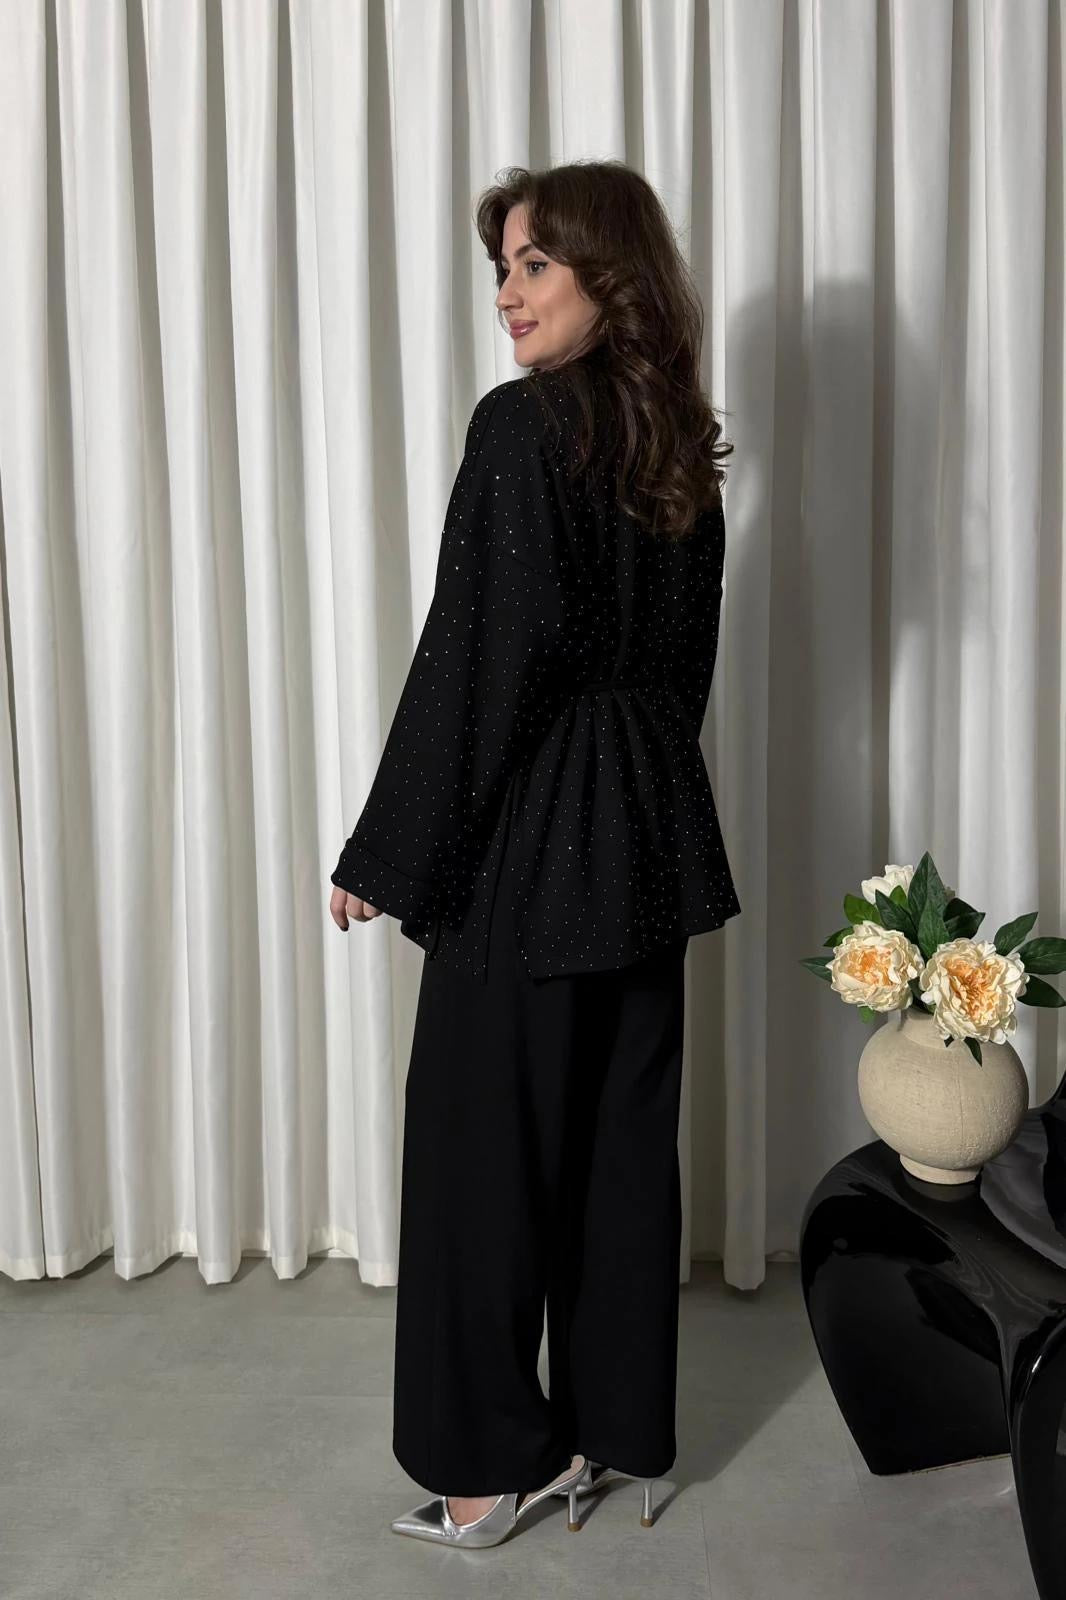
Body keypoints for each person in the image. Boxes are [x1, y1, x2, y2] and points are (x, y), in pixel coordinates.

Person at [328, 159, 741, 1550]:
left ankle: (488, 1469)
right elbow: (683, 672)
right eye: (500, 268)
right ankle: (615, 1438)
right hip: (650, 832)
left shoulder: (524, 426)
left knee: (477, 1161)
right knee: (620, 1151)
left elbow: (478, 659)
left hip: (539, 834)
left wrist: (391, 849)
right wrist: (634, 798)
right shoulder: (673, 438)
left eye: (534, 265)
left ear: (606, 275)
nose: (506, 294)